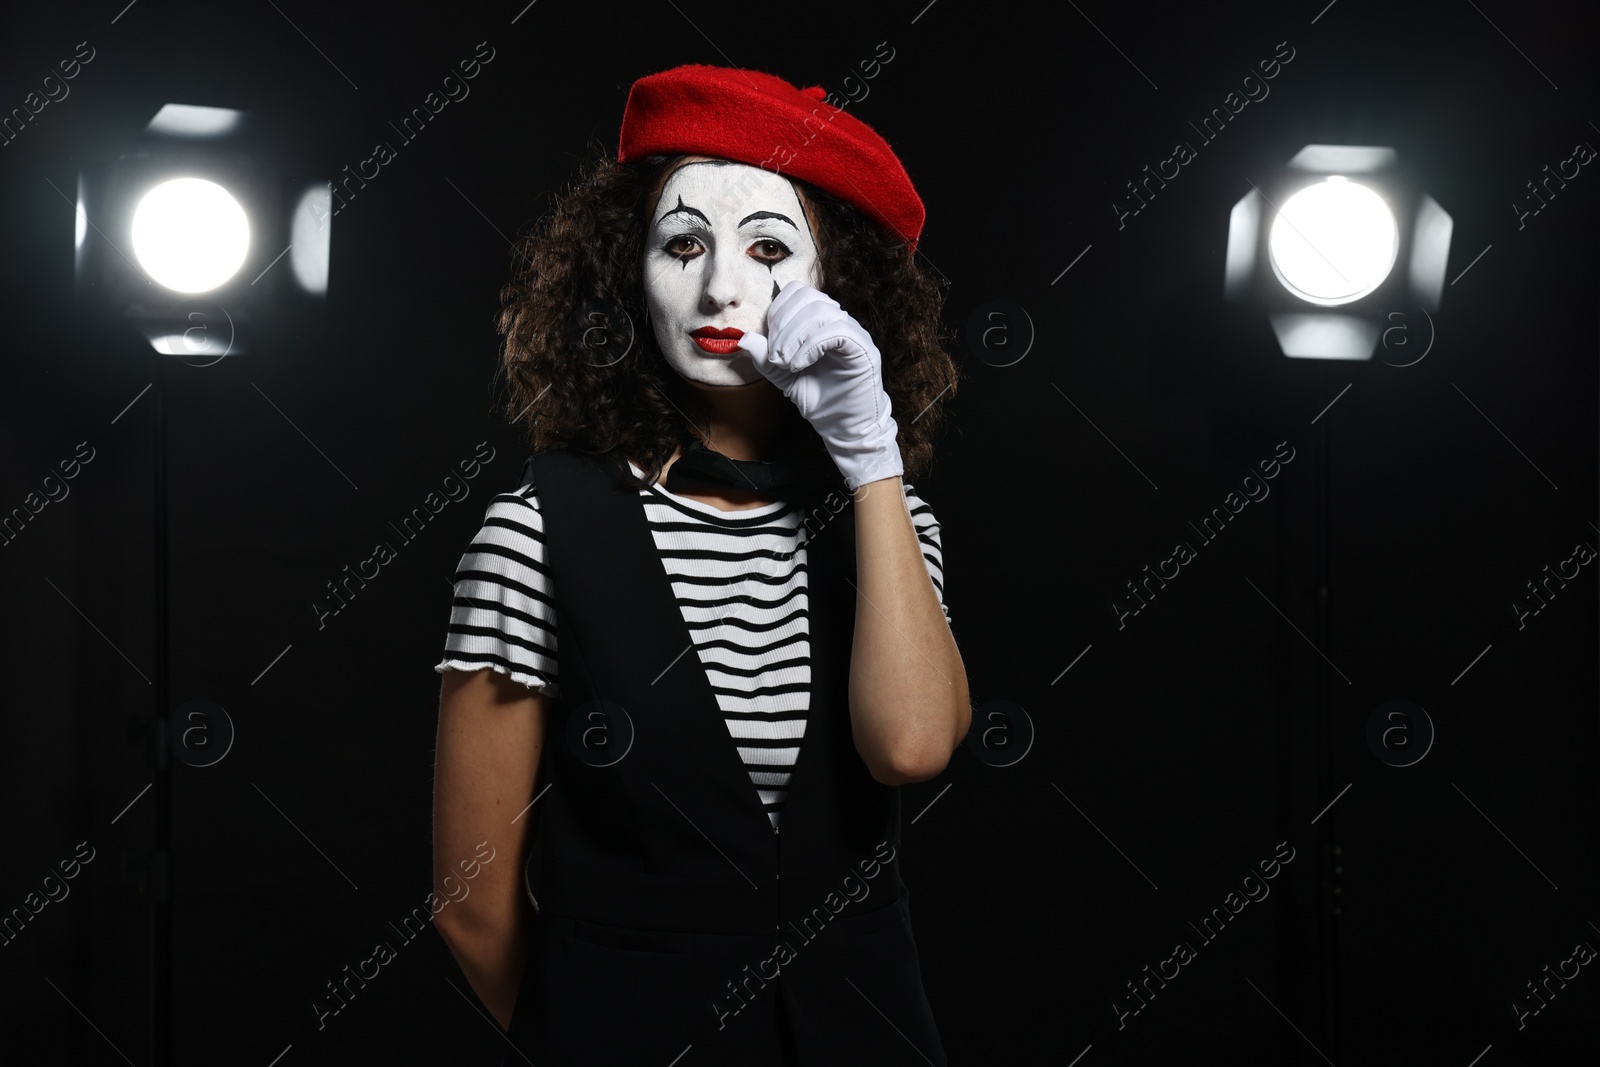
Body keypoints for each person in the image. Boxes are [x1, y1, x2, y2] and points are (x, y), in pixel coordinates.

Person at [430, 63, 968, 1065]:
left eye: (768, 246)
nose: (722, 284)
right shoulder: (533, 532)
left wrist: (870, 454)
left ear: (837, 284)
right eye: (683, 242)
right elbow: (470, 905)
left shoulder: (889, 521)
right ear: (624, 274)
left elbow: (910, 747)